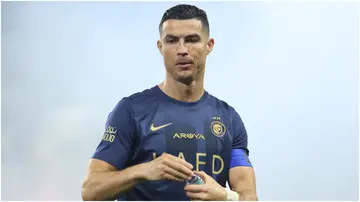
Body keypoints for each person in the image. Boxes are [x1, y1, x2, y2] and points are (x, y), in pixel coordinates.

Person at [81, 4, 258, 201]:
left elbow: (249, 197)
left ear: (209, 45)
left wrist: (225, 197)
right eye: (172, 41)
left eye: (192, 40)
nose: (182, 50)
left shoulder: (229, 119)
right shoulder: (131, 111)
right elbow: (90, 190)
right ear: (160, 47)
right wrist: (144, 170)